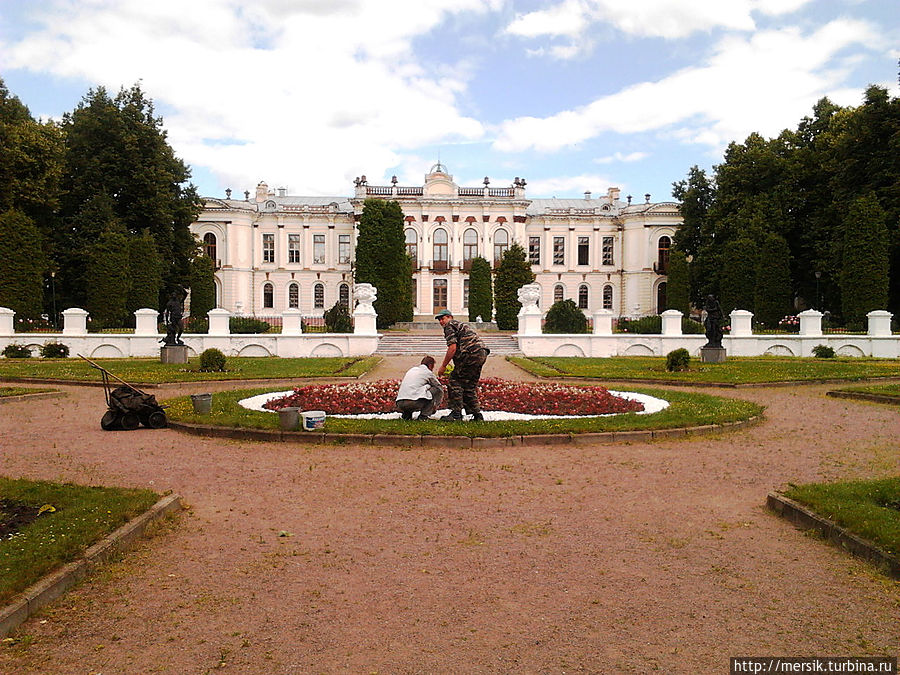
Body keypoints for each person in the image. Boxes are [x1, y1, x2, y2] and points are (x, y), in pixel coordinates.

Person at [435, 309, 489, 421]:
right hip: (481, 353)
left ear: (450, 317)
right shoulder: (461, 325)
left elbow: (452, 348)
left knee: (454, 381)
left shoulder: (449, 325)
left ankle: (456, 414)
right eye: (439, 320)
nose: (441, 321)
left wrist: (443, 366)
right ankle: (477, 415)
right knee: (470, 386)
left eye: (443, 318)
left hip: (470, 354)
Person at [395, 356, 444, 421]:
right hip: (413, 402)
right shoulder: (427, 372)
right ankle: (423, 416)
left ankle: (407, 415)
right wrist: (436, 405)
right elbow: (438, 387)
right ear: (430, 365)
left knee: (413, 392)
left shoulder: (412, 370)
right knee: (433, 390)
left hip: (400, 402)